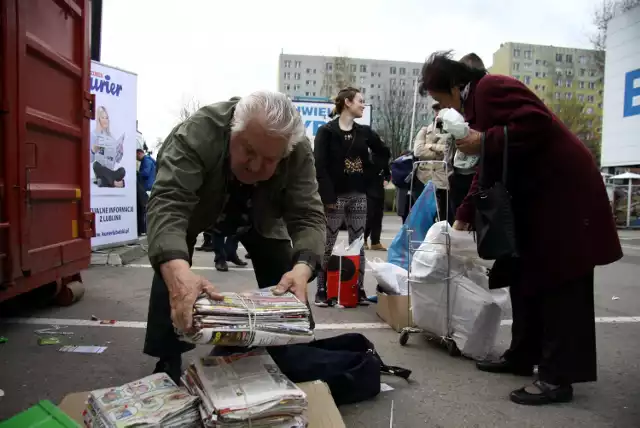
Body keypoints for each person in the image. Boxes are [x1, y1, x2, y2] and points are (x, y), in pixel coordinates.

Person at [419, 51, 622, 406]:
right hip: (539, 196)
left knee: (561, 280)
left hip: (564, 193)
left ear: (454, 86)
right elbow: (492, 162)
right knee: (523, 272)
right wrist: (465, 211)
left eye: (440, 100)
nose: (441, 109)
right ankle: (522, 354)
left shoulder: (490, 88)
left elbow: (537, 124)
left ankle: (558, 377)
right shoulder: (475, 106)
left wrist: (484, 140)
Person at [144, 91, 326, 383]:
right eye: (248, 150)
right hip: (202, 206)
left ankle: (291, 345)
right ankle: (168, 355)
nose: (254, 166)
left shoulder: (299, 151)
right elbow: (169, 205)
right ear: (233, 131)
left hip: (262, 213)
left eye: (269, 159)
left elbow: (308, 215)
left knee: (286, 273)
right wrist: (177, 270)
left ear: (286, 153)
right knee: (173, 265)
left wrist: (303, 268)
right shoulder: (196, 134)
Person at [313, 87, 391, 307]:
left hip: (358, 195)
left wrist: (371, 171)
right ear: (347, 102)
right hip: (334, 197)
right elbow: (320, 166)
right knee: (326, 243)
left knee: (358, 243)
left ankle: (358, 289)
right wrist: (327, 197)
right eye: (360, 101)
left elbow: (383, 153)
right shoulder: (326, 132)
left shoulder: (364, 132)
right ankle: (322, 289)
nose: (363, 105)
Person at [413, 102, 452, 223]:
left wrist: (429, 146)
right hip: (424, 178)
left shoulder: (451, 131)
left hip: (444, 179)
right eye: (436, 110)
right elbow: (418, 151)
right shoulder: (424, 130)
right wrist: (438, 151)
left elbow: (447, 150)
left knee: (444, 217)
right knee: (423, 217)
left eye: (441, 109)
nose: (438, 112)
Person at [91, 106, 126, 188]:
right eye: (102, 117)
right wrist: (93, 150)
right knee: (96, 165)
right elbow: (89, 159)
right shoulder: (93, 134)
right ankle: (114, 183)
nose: (105, 120)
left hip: (110, 170)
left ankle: (105, 181)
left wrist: (120, 151)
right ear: (98, 119)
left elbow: (117, 160)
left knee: (122, 171)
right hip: (100, 169)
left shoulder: (112, 137)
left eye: (106, 118)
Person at [364, 149, 391, 251]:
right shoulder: (367, 159)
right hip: (367, 191)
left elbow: (387, 174)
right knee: (368, 216)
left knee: (378, 217)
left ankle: (375, 241)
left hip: (379, 191)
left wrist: (386, 180)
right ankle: (364, 240)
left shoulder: (383, 161)